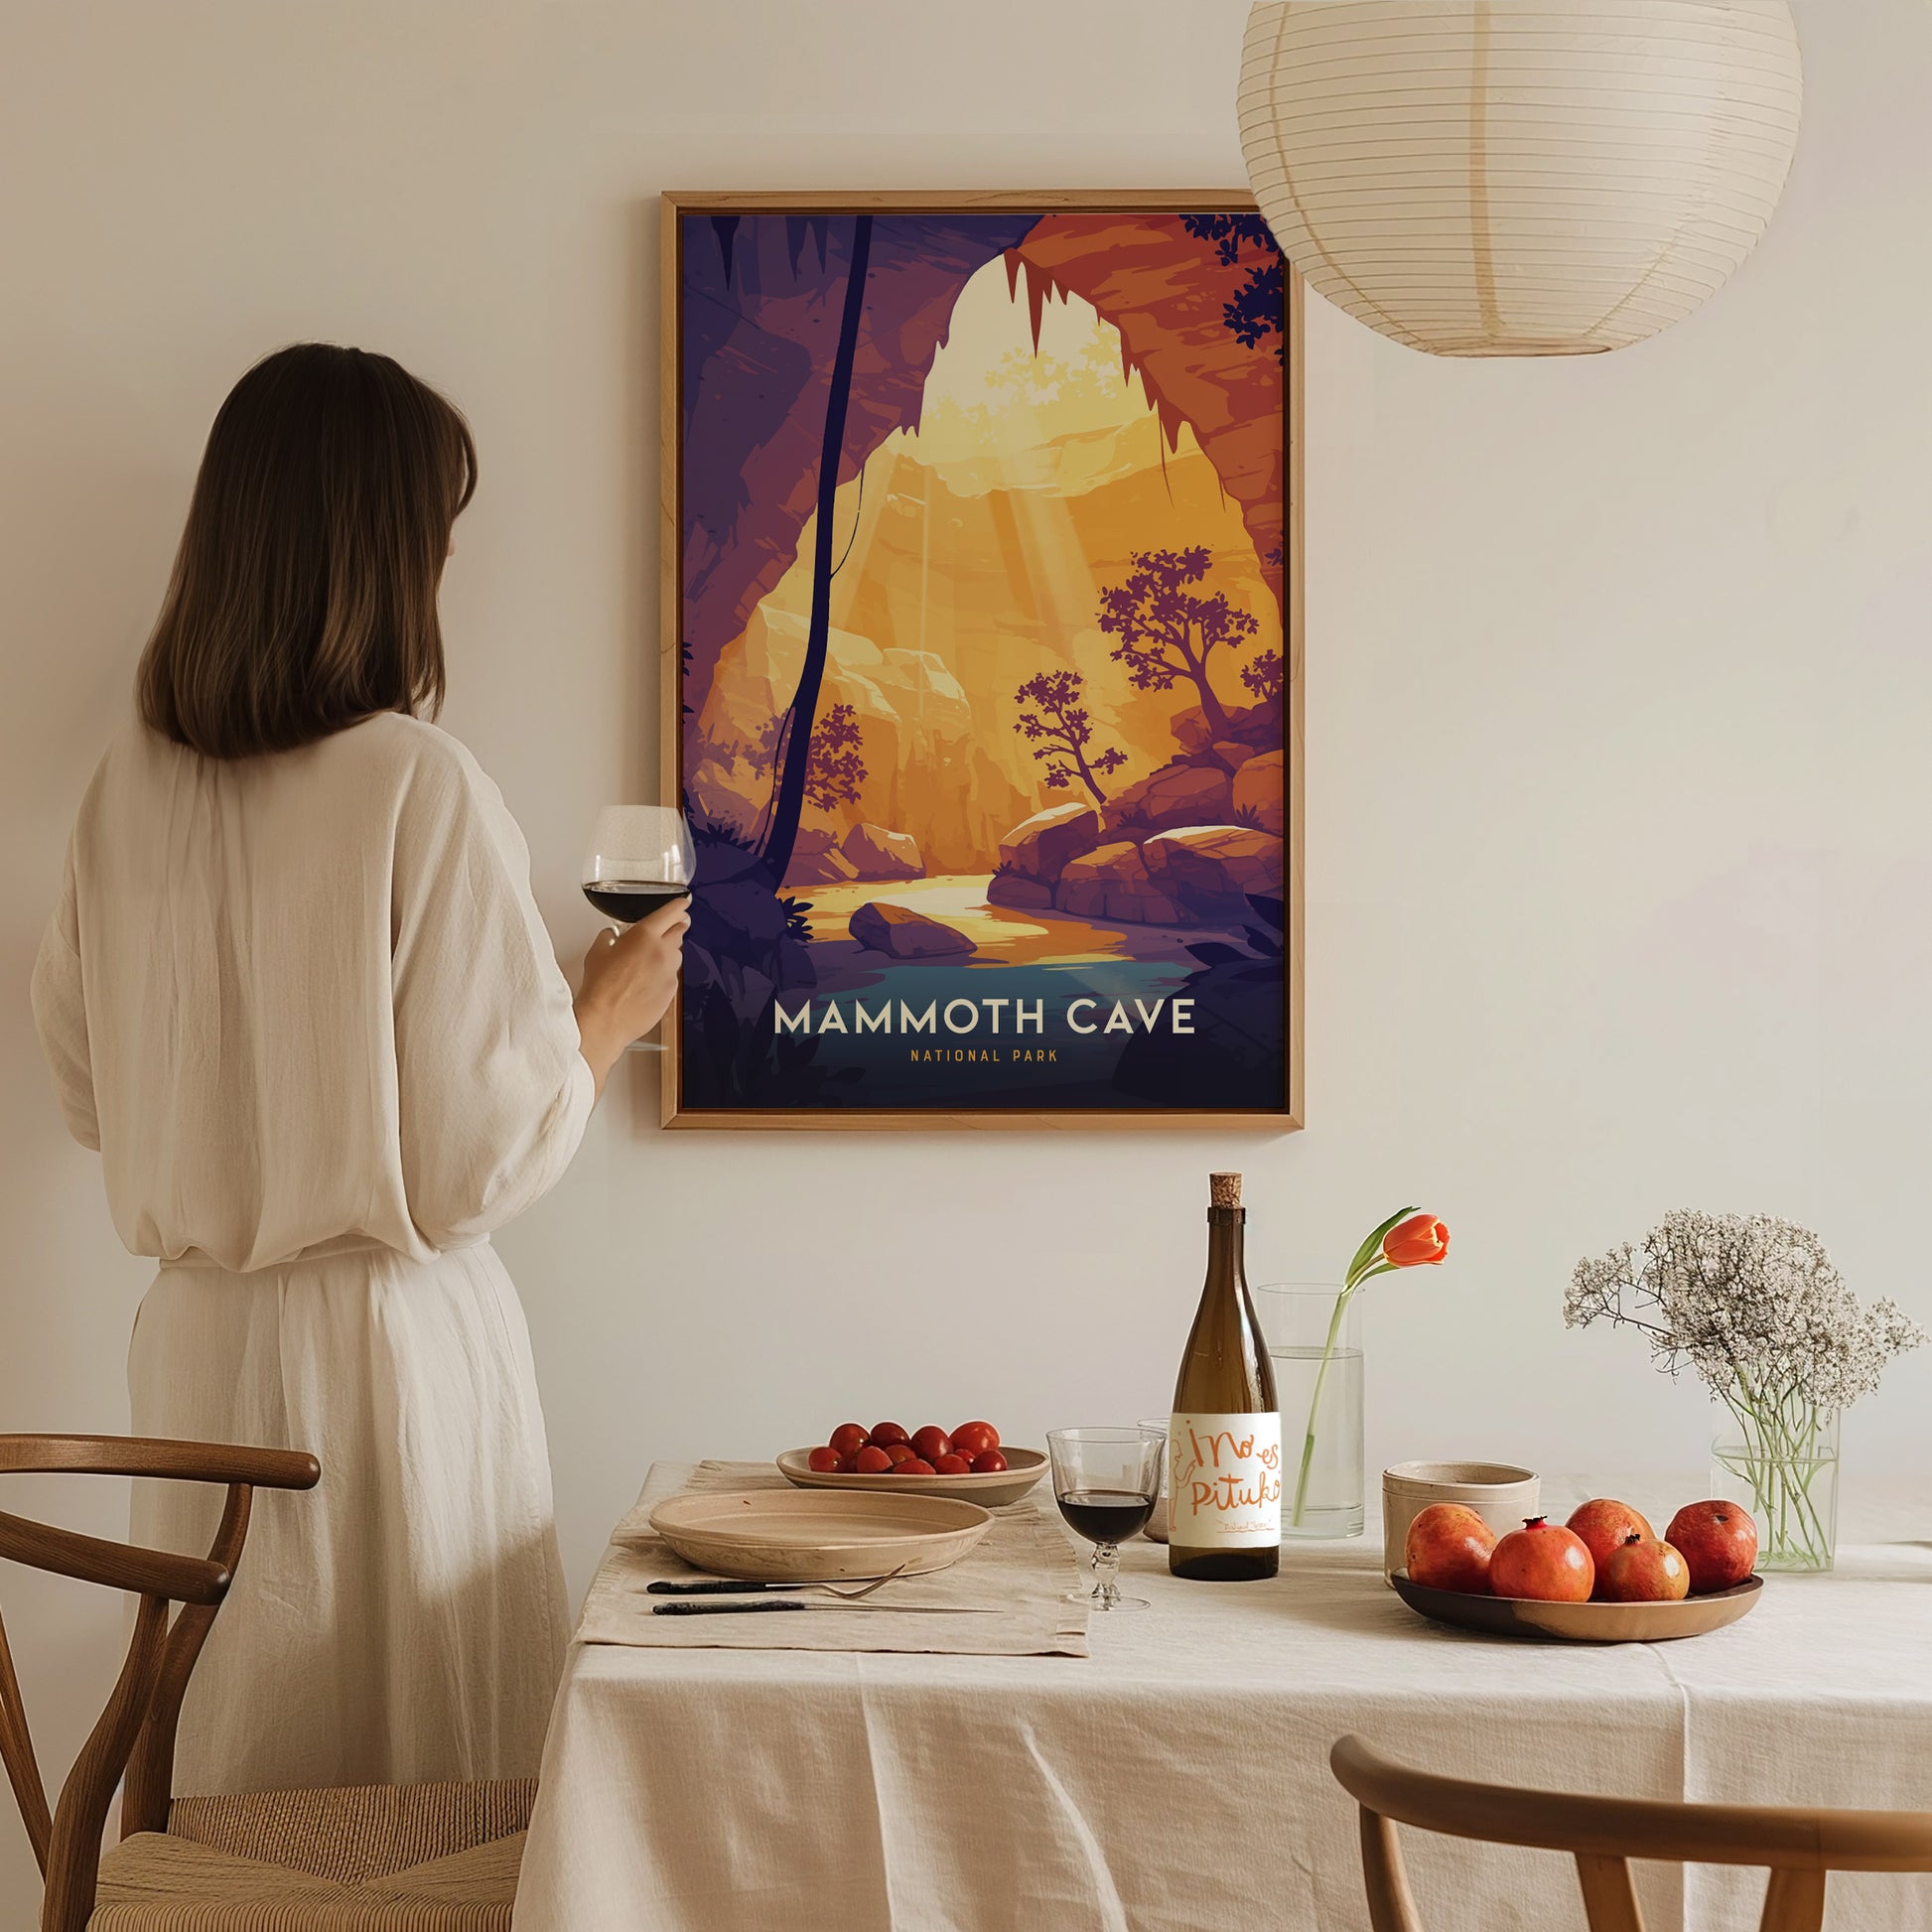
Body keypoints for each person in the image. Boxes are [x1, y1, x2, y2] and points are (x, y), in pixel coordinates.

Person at [29, 343, 685, 1793]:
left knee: (239, 1777)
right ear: (384, 552)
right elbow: (470, 1164)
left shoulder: (121, 792)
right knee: (420, 1797)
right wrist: (601, 1013)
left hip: (196, 1351)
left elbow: (87, 1092)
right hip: (388, 1363)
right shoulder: (414, 780)